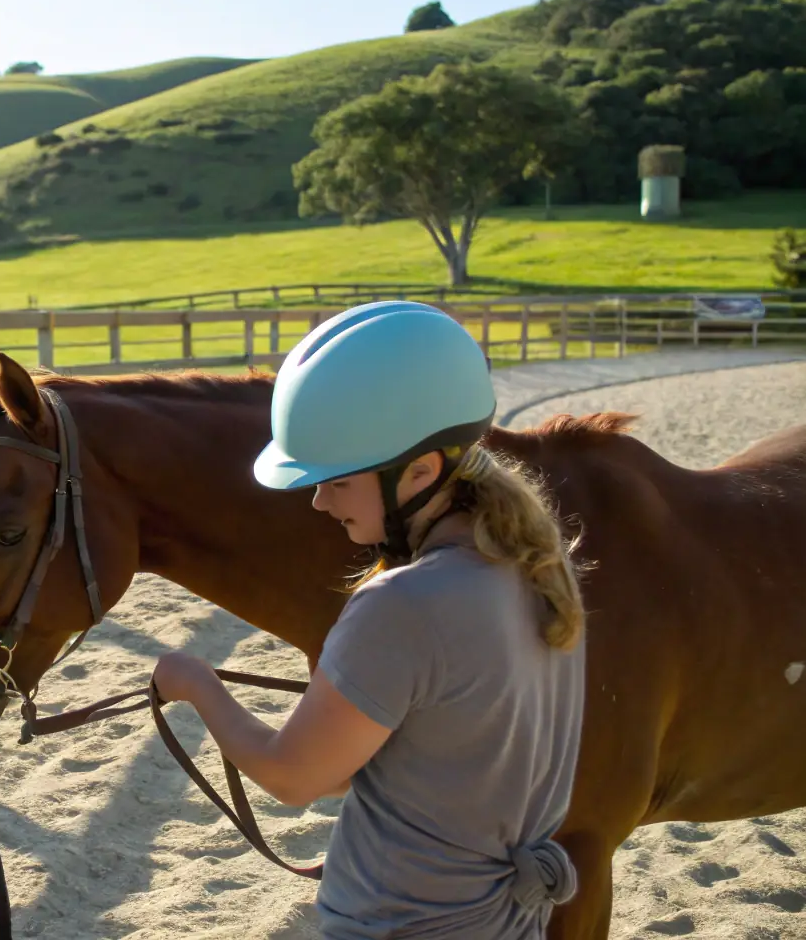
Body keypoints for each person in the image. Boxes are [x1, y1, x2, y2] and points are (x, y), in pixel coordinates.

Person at [153, 301, 586, 939]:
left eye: (337, 481)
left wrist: (195, 684)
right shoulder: (537, 567)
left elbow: (296, 778)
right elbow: (399, 758)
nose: (320, 502)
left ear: (420, 471)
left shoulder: (402, 604)